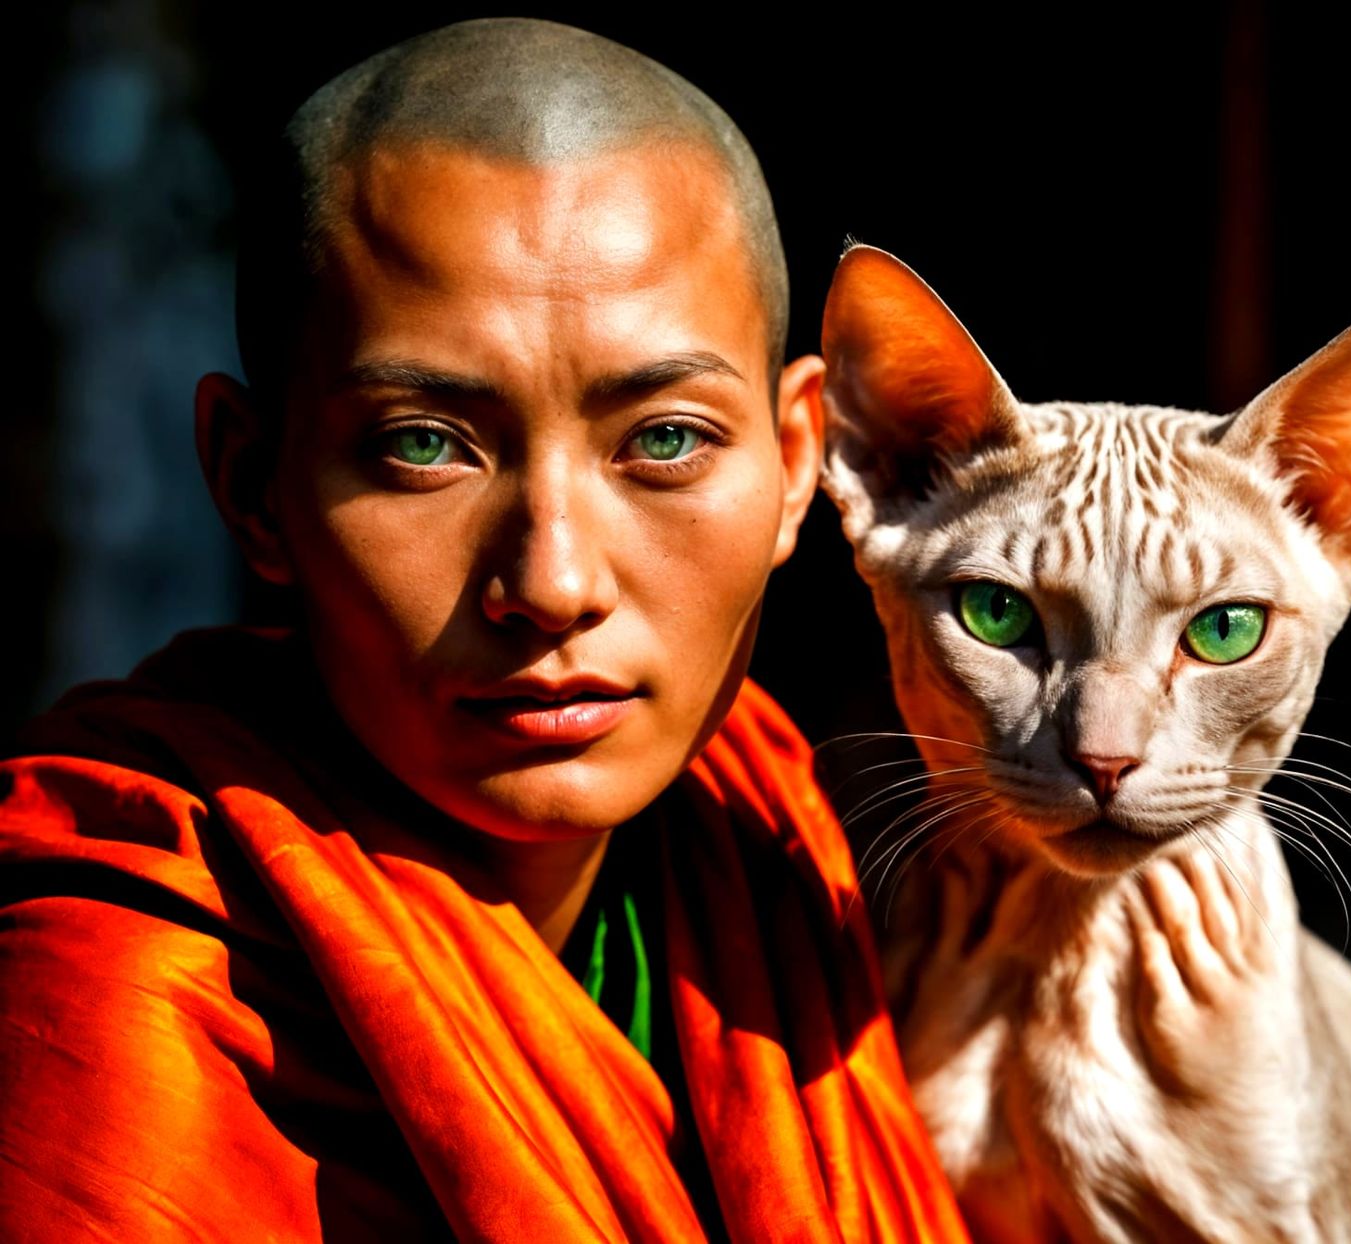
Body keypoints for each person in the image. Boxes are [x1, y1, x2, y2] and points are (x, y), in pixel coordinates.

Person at [0, 18, 971, 1242]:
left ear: (793, 466)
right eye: (424, 445)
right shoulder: (122, 989)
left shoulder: (769, 837)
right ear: (252, 485)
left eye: (664, 438)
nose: (554, 581)